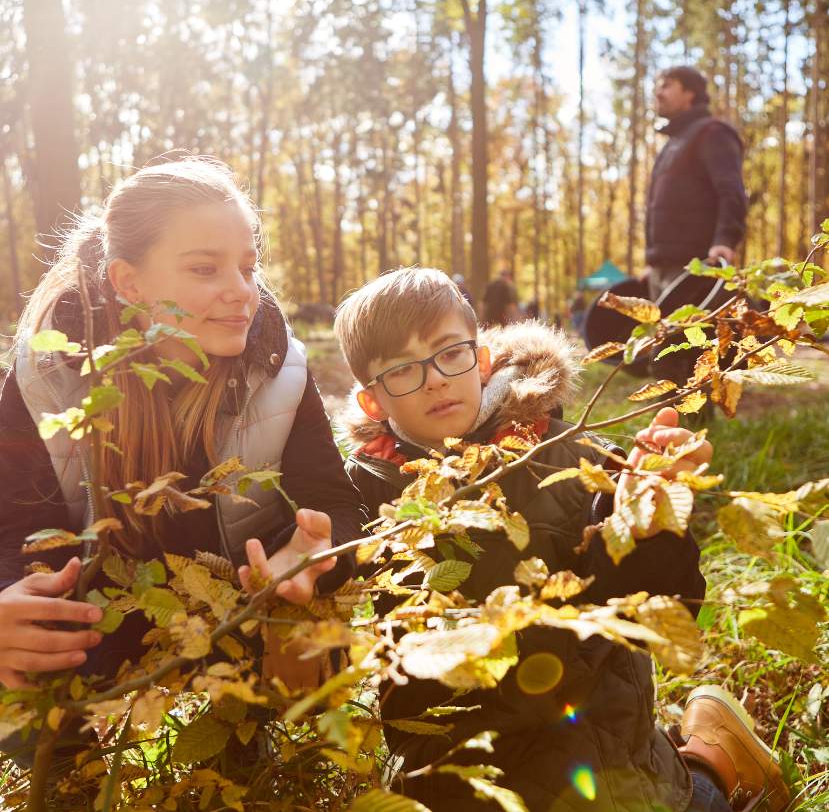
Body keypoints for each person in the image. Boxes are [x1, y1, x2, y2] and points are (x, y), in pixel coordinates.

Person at [332, 268, 790, 812]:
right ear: (372, 402)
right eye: (403, 370)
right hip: (458, 783)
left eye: (448, 353)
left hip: (606, 768)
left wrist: (644, 522)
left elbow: (664, 611)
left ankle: (711, 761)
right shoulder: (359, 503)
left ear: (479, 360)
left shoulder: (569, 460)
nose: (434, 378)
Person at [0, 157, 367, 765]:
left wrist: (317, 558)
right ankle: (69, 783)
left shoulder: (280, 370)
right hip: (97, 620)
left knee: (291, 676)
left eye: (248, 268)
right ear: (130, 283)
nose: (240, 290)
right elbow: (13, 527)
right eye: (205, 268)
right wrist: (10, 598)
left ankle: (242, 770)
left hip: (235, 615)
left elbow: (332, 502)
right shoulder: (48, 378)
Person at [643, 66, 748, 385]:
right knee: (665, 359)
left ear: (690, 93)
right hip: (663, 269)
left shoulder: (712, 132)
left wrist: (725, 240)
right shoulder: (672, 143)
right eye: (658, 85)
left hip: (696, 269)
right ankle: (669, 431)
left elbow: (732, 192)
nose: (658, 91)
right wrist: (654, 261)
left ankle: (692, 431)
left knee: (687, 355)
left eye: (668, 85)